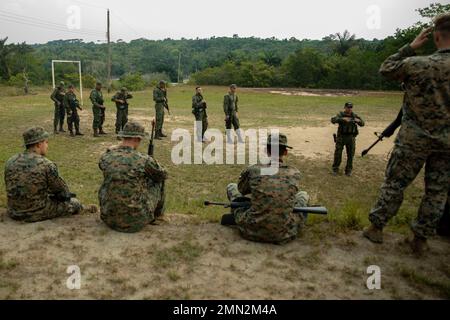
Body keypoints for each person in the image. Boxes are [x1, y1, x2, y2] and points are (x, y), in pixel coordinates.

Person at [363, 13, 450, 255]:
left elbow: (386, 68)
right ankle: (420, 240)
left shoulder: (418, 64)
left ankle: (376, 228)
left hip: (414, 138)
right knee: (437, 191)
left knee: (395, 184)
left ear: (436, 36)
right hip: (447, 142)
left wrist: (409, 47)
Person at [223, 133, 309, 244]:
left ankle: (239, 216)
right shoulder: (294, 173)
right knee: (303, 195)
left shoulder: (253, 170)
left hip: (251, 230)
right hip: (285, 232)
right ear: (285, 152)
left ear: (266, 150)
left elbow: (241, 190)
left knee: (232, 187)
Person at [4, 127, 96, 222]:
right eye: (46, 142)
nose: (47, 145)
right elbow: (62, 192)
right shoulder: (46, 164)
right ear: (39, 144)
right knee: (74, 203)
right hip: (36, 212)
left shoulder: (11, 161)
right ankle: (86, 209)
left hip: (14, 211)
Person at [98, 120, 168, 233]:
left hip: (108, 219)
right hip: (136, 221)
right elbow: (163, 174)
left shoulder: (106, 157)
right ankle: (158, 216)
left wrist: (115, 148)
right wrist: (153, 163)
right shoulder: (144, 160)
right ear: (137, 139)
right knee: (158, 181)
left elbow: (103, 164)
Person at [331, 102, 365, 176]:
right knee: (338, 154)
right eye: (348, 107)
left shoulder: (354, 116)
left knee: (350, 155)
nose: (349, 109)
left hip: (351, 138)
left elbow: (362, 123)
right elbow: (333, 120)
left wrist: (358, 121)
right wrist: (343, 119)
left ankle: (348, 170)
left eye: (351, 107)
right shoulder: (341, 114)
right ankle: (335, 169)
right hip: (341, 137)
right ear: (345, 107)